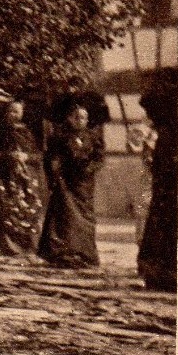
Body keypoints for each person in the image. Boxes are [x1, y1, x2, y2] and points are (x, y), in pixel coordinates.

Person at [0, 96, 44, 256]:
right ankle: (2, 245)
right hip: (3, 176)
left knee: (27, 209)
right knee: (2, 207)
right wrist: (8, 155)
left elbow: (39, 156)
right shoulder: (0, 130)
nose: (13, 114)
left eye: (17, 111)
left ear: (23, 113)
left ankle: (24, 245)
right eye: (10, 111)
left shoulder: (30, 132)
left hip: (24, 178)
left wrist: (26, 157)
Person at [37, 101, 104, 268]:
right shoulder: (60, 137)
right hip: (66, 182)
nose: (79, 120)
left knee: (84, 219)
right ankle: (62, 254)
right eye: (76, 117)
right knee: (64, 218)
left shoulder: (93, 137)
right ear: (69, 118)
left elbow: (99, 159)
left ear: (87, 120)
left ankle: (83, 254)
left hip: (84, 184)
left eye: (83, 117)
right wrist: (54, 174)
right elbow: (50, 158)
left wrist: (88, 168)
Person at [137, 70, 178, 292]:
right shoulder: (169, 128)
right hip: (169, 172)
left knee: (164, 217)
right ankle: (164, 272)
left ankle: (161, 271)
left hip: (167, 173)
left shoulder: (165, 127)